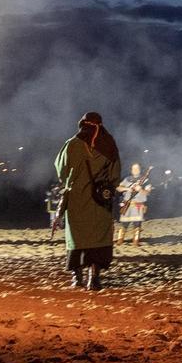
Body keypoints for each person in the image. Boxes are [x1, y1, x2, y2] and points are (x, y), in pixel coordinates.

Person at [57, 112, 121, 291]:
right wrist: (107, 188)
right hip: (100, 201)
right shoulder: (109, 144)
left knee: (77, 238)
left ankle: (77, 278)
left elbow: (61, 170)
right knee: (98, 239)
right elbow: (115, 174)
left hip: (77, 199)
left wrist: (74, 181)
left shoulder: (72, 144)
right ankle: (94, 279)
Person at [116, 163, 151, 246]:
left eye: (137, 168)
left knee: (137, 224)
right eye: (133, 169)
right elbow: (118, 188)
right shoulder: (127, 179)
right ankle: (120, 240)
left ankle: (136, 241)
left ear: (140, 169)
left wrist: (140, 190)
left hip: (138, 205)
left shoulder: (145, 180)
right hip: (127, 205)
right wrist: (127, 189)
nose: (135, 170)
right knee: (124, 224)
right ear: (131, 170)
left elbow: (148, 192)